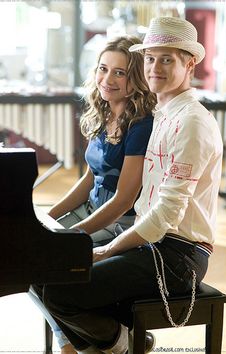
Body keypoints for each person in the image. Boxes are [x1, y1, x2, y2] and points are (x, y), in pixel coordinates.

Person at [33, 17, 223, 354]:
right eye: (150, 59)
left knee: (59, 288)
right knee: (49, 272)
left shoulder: (192, 122)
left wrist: (106, 249)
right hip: (152, 242)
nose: (154, 68)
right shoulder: (165, 115)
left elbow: (165, 214)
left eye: (167, 59)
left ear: (190, 63)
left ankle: (119, 345)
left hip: (178, 255)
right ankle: (115, 342)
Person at [29, 35, 156, 354]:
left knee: (51, 263)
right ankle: (71, 340)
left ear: (137, 78)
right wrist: (46, 217)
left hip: (121, 222)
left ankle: (115, 342)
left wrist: (68, 237)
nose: (107, 79)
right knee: (24, 260)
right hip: (91, 210)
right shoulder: (102, 114)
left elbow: (125, 199)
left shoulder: (141, 125)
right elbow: (89, 179)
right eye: (103, 69)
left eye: (120, 72)